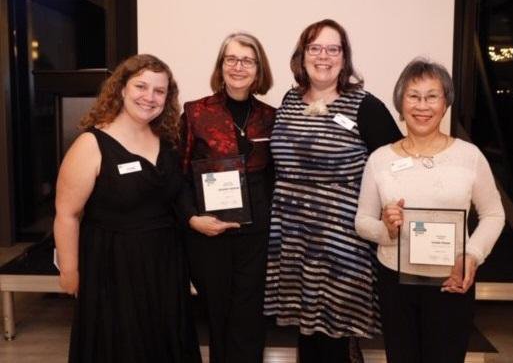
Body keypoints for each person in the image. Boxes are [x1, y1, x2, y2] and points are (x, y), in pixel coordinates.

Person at [264, 19, 402, 363]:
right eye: (315, 48)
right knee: (306, 330)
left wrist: (390, 211)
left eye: (333, 48)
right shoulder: (290, 100)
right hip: (294, 236)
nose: (323, 56)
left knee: (335, 333)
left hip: (341, 241)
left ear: (344, 57)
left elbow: (395, 164)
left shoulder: (364, 105)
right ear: (302, 55)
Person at [355, 58, 505, 363]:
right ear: (401, 102)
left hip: (451, 281)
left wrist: (472, 255)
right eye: (413, 96)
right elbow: (362, 221)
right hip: (396, 282)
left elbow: (493, 214)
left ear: (445, 101)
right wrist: (386, 228)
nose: (422, 106)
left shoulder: (469, 156)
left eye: (432, 96)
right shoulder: (380, 159)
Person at [53, 54, 201, 363]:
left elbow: (176, 199)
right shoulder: (92, 144)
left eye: (159, 91)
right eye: (141, 86)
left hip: (165, 264)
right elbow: (67, 215)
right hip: (112, 268)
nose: (149, 97)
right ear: (121, 89)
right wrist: (69, 272)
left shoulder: (167, 140)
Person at [179, 32, 275, 363]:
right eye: (231, 59)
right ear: (221, 66)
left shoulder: (270, 116)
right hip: (211, 232)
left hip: (257, 235)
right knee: (217, 317)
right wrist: (193, 218)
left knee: (250, 318)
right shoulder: (195, 113)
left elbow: (275, 177)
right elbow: (179, 176)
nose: (238, 67)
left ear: (259, 68)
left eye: (247, 60)